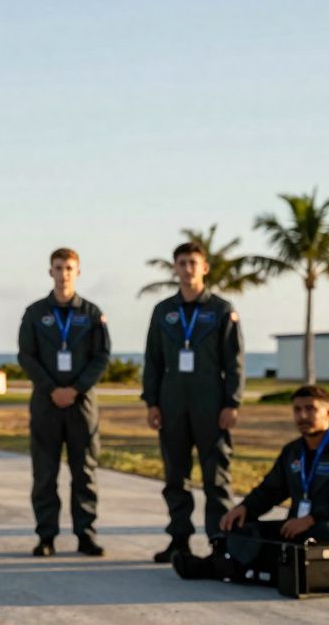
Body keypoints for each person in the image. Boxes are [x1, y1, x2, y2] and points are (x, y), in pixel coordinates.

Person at [172, 385, 329, 582]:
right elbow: (270, 490)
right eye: (297, 410)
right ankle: (215, 566)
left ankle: (251, 568)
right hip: (295, 528)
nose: (302, 416)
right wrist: (244, 508)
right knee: (243, 530)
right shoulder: (292, 452)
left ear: (328, 413)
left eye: (310, 409)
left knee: (325, 534)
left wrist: (311, 520)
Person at [142, 241, 244, 563]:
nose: (187, 269)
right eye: (182, 262)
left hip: (210, 403)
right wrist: (152, 402)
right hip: (172, 403)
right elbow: (153, 360)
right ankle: (179, 540)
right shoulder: (163, 312)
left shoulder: (221, 310)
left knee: (216, 477)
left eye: (193, 263)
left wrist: (232, 402)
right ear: (175, 267)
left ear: (205, 268)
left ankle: (220, 542)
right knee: (175, 476)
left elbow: (235, 362)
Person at [18, 247, 111, 557]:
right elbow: (26, 356)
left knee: (84, 472)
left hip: (81, 404)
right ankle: (46, 537)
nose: (64, 273)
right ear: (51, 272)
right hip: (46, 403)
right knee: (45, 474)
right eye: (58, 268)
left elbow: (102, 356)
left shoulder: (92, 314)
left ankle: (86, 535)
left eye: (69, 268)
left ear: (78, 272)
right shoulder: (34, 313)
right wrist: (51, 388)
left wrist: (75, 389)